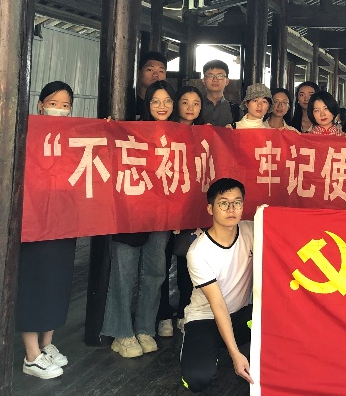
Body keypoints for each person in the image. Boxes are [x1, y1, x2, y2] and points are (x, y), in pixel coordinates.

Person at [103, 80, 173, 358]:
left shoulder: (178, 134)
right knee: (124, 272)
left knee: (155, 273)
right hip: (129, 212)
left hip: (161, 214)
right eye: (156, 101)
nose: (162, 106)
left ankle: (145, 327)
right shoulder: (132, 129)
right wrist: (109, 130)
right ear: (147, 104)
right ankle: (121, 332)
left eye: (167, 101)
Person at [16, 81, 77, 379]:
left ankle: (46, 344)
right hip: (33, 221)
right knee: (32, 281)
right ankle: (31, 355)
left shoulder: (75, 136)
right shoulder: (25, 130)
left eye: (66, 106)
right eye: (53, 103)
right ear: (40, 105)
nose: (59, 110)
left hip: (63, 221)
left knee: (57, 282)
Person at [181, 178, 254, 392]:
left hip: (241, 315)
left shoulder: (251, 230)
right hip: (206, 318)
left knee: (278, 323)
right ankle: (209, 344)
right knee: (197, 380)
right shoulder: (198, 252)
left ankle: (227, 343)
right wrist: (235, 354)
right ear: (210, 208)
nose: (231, 209)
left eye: (237, 202)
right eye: (223, 203)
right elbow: (218, 304)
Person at [157, 84, 204, 338]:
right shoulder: (165, 130)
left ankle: (185, 310)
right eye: (185, 102)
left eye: (196, 104)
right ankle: (164, 313)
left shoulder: (206, 134)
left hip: (191, 208)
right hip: (164, 207)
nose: (190, 108)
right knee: (162, 264)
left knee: (188, 262)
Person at [199, 60, 240, 127]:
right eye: (210, 76)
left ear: (227, 81)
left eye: (220, 76)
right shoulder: (194, 106)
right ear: (203, 80)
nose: (215, 79)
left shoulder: (236, 110)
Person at [136, 51, 167, 119]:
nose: (155, 75)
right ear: (138, 73)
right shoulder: (129, 102)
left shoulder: (169, 105)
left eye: (161, 71)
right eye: (150, 70)